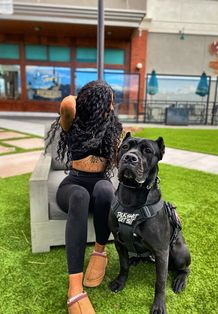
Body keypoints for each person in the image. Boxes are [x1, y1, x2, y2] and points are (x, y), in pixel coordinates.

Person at [46, 80, 123, 314]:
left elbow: (119, 158)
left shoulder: (113, 128)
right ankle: (75, 288)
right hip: (73, 185)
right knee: (79, 195)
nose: (111, 108)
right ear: (92, 103)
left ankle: (100, 252)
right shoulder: (72, 121)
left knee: (106, 189)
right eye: (107, 103)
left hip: (99, 184)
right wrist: (90, 98)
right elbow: (68, 103)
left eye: (111, 104)